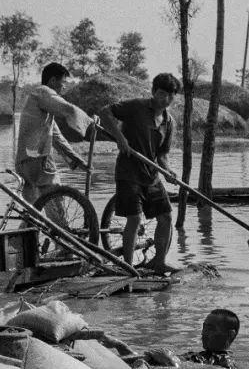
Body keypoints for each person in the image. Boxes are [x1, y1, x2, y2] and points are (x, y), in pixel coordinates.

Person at [99, 72, 181, 275]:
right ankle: (128, 267)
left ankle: (159, 262)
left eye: (171, 95)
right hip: (129, 171)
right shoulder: (136, 107)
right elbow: (105, 112)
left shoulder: (169, 122)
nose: (166, 99)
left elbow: (162, 155)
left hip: (151, 175)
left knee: (166, 216)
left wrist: (169, 171)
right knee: (134, 218)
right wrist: (120, 138)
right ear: (153, 92)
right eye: (162, 94)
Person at [15, 62, 91, 204]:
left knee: (33, 212)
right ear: (52, 81)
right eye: (63, 82)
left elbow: (57, 138)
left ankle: (30, 224)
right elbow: (68, 109)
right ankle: (62, 226)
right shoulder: (43, 91)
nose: (65, 86)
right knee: (57, 200)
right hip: (39, 159)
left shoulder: (39, 103)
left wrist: (77, 160)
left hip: (24, 162)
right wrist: (91, 123)